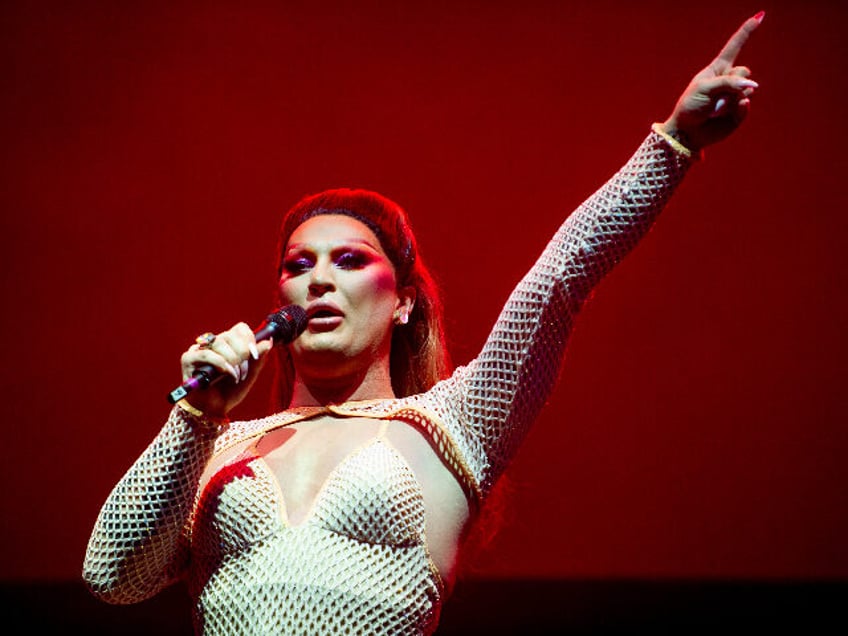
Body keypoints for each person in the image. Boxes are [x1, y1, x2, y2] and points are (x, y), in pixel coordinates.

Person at [83, 12, 764, 635]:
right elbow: (111, 577)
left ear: (402, 300)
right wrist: (197, 417)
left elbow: (559, 280)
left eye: (349, 260)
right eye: (299, 264)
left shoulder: (454, 424)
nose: (319, 278)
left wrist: (674, 141)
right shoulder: (225, 446)